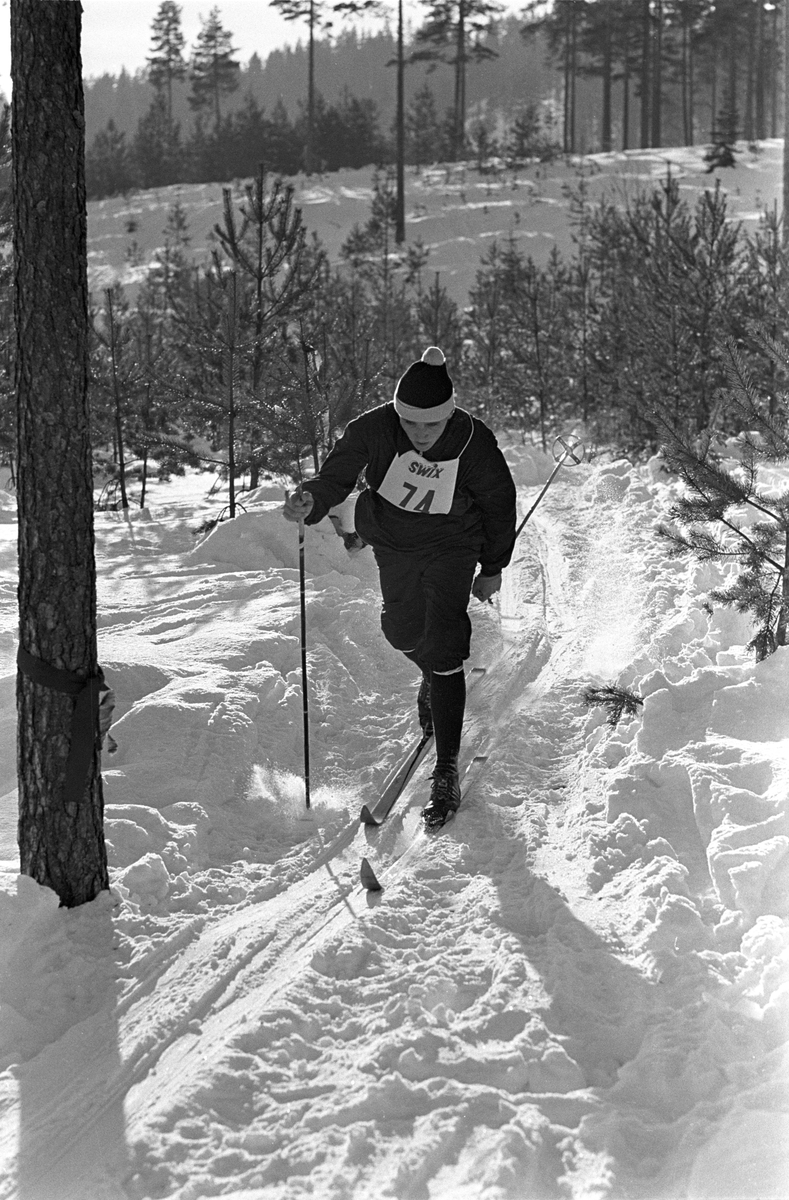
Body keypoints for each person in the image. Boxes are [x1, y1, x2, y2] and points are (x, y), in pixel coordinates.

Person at [283, 346, 517, 827]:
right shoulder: (373, 428)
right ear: (397, 413)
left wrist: (492, 567)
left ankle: (445, 768)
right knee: (401, 629)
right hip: (393, 540)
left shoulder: (474, 441)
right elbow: (338, 476)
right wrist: (311, 499)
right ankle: (432, 676)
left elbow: (499, 505)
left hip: (453, 544)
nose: (421, 436)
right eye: (411, 426)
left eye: (431, 427)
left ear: (449, 414)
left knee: (446, 643)